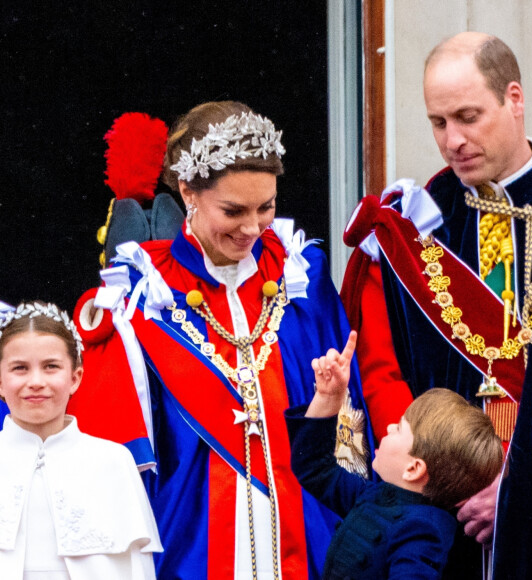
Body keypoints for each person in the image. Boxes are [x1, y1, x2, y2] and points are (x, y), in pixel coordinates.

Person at [68, 101, 375, 579]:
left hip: (307, 533)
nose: (253, 228)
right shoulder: (139, 295)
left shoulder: (300, 277)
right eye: (233, 210)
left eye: (266, 207)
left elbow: (348, 427)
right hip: (190, 539)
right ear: (188, 191)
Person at [342, 31, 532, 579]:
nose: (453, 141)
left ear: (514, 99)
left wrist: (520, 493)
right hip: (441, 533)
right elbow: (384, 378)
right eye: (438, 122)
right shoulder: (414, 228)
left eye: (469, 116)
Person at [285, 331, 503, 579]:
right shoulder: (372, 495)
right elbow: (314, 467)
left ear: (414, 468)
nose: (387, 428)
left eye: (399, 428)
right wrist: (328, 397)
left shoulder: (423, 532)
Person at [0, 301, 162, 579]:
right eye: (20, 368)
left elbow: (138, 568)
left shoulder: (114, 461)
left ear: (75, 378)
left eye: (51, 366)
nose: (36, 381)